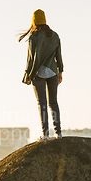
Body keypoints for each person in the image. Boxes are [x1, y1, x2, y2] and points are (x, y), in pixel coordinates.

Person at [18, 9, 63, 141]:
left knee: (42, 103)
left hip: (38, 73)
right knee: (53, 103)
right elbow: (59, 56)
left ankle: (45, 134)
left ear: (34, 21)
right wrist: (60, 72)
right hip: (53, 72)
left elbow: (30, 58)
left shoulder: (34, 36)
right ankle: (58, 133)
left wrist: (27, 73)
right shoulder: (54, 35)